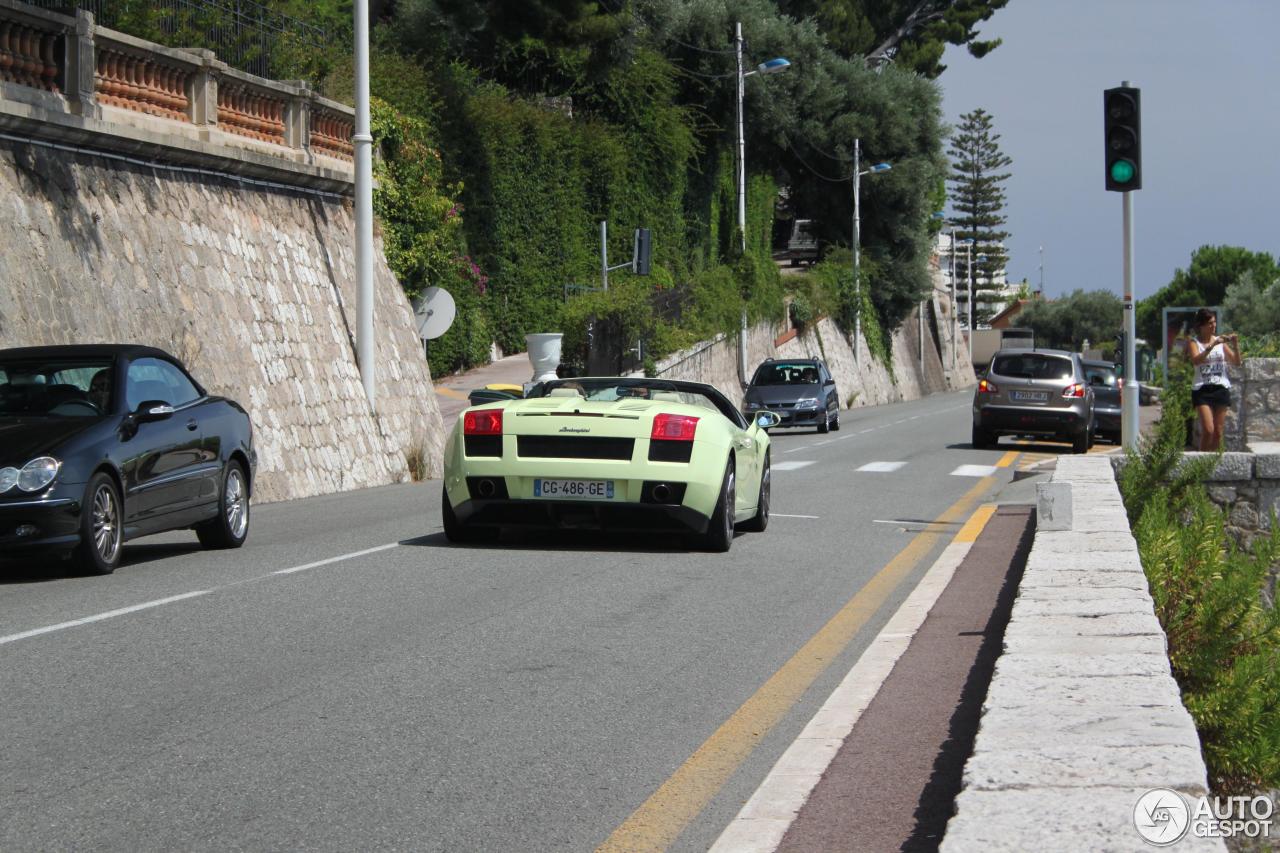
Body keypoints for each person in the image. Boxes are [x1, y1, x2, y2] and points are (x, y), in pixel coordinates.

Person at [1187, 308, 1241, 452]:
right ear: (1201, 325)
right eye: (1210, 323)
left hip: (1220, 387)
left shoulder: (1221, 343)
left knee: (1218, 432)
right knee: (1208, 430)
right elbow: (1196, 360)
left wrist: (1235, 345)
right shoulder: (1194, 342)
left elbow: (1237, 362)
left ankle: (1212, 463)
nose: (1213, 325)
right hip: (1202, 389)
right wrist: (1211, 346)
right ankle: (1201, 462)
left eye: (1214, 322)